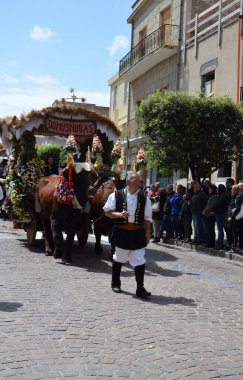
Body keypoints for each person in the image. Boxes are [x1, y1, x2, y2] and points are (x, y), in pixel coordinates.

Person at [103, 171, 152, 299]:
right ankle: (115, 283)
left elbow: (148, 219)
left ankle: (140, 289)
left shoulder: (144, 198)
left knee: (140, 259)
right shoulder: (116, 195)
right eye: (136, 181)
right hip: (121, 232)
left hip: (137, 233)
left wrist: (147, 234)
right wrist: (118, 214)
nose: (139, 183)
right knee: (119, 258)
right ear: (129, 182)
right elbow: (107, 212)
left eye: (140, 181)